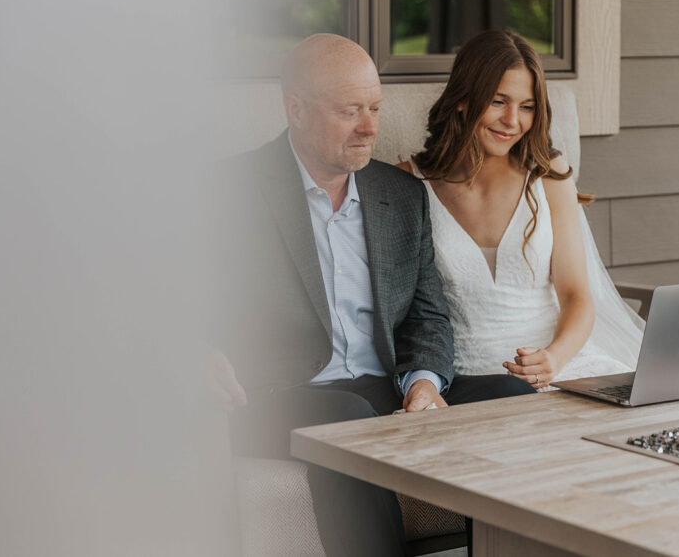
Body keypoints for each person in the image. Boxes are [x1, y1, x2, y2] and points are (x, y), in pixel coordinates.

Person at [207, 34, 534, 557]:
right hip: (275, 397)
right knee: (349, 416)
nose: (370, 127)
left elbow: (428, 315)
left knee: (514, 403)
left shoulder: (400, 195)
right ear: (296, 108)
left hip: (380, 389)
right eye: (350, 110)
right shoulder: (230, 191)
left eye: (376, 108)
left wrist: (425, 384)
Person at [398, 30, 643, 390]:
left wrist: (554, 358)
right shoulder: (408, 183)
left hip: (561, 366)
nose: (513, 120)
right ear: (463, 98)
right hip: (469, 380)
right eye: (498, 102)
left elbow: (577, 296)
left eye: (526, 107)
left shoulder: (549, 175)